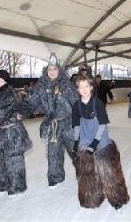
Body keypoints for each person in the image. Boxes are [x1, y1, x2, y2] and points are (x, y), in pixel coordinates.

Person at [17, 53, 79, 189]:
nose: (52, 72)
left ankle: (84, 173)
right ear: (46, 71)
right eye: (49, 70)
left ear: (59, 71)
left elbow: (77, 103)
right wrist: (22, 111)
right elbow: (31, 102)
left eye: (55, 69)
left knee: (76, 151)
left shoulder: (67, 85)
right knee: (53, 152)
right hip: (53, 124)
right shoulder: (41, 86)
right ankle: (55, 177)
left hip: (69, 123)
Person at [72, 76, 129, 210]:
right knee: (87, 172)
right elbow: (76, 126)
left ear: (91, 87)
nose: (84, 90)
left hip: (101, 139)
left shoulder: (97, 103)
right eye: (81, 87)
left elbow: (102, 124)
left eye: (87, 86)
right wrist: (75, 143)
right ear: (77, 89)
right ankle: (91, 198)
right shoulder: (76, 106)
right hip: (85, 140)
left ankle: (117, 197)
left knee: (108, 171)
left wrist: (95, 143)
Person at [0, 70, 32, 198]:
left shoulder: (10, 95)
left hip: (12, 133)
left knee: (13, 160)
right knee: (0, 160)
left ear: (3, 79)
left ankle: (17, 187)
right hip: (1, 132)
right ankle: (4, 184)